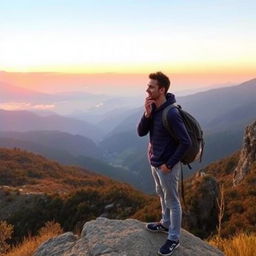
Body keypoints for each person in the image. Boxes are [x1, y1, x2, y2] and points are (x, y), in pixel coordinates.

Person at [137, 72, 191, 256]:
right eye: (148, 85)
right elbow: (141, 132)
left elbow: (186, 142)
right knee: (161, 194)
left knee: (173, 201)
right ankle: (165, 223)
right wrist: (146, 114)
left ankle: (174, 237)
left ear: (162, 89)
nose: (147, 89)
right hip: (155, 162)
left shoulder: (172, 113)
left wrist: (169, 164)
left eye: (151, 86)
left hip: (166, 165)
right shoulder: (153, 108)